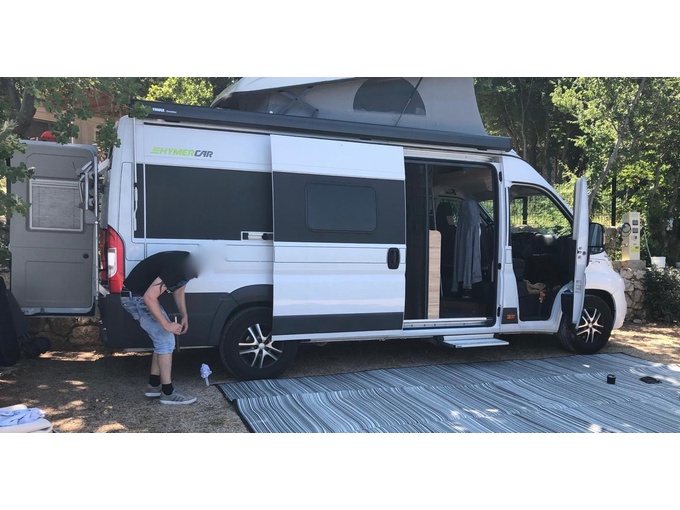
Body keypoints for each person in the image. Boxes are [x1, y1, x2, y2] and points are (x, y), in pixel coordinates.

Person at [121, 251, 198, 405]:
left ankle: (154, 385)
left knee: (161, 340)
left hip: (135, 296)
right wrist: (166, 324)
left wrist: (184, 315)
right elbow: (149, 297)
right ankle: (168, 393)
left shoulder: (187, 263)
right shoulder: (180, 266)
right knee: (166, 340)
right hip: (136, 298)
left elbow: (179, 289)